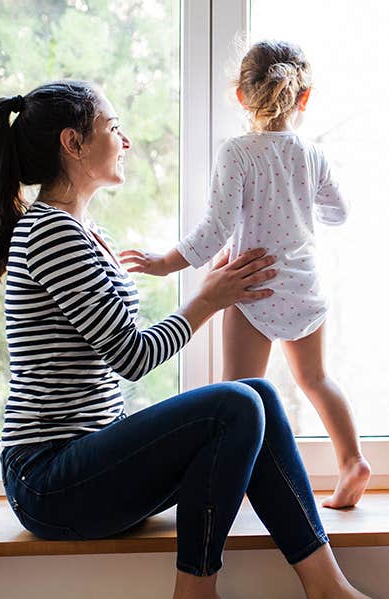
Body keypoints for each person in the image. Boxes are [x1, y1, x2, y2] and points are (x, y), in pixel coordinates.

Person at [0, 79, 369, 599]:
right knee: (236, 403)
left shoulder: (81, 230)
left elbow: (111, 339)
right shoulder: (51, 233)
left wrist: (216, 287)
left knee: (260, 397)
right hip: (49, 480)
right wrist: (208, 298)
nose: (126, 139)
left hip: (86, 462)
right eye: (112, 127)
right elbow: (131, 355)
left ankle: (328, 589)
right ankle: (196, 592)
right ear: (73, 144)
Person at [125, 40, 371, 509]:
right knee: (317, 379)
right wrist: (300, 201)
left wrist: (162, 263)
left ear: (240, 95)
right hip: (303, 287)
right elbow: (339, 212)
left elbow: (215, 230)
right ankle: (352, 460)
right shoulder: (310, 154)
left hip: (250, 287)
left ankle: (234, 486)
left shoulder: (236, 154)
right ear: (304, 98)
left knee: (236, 396)